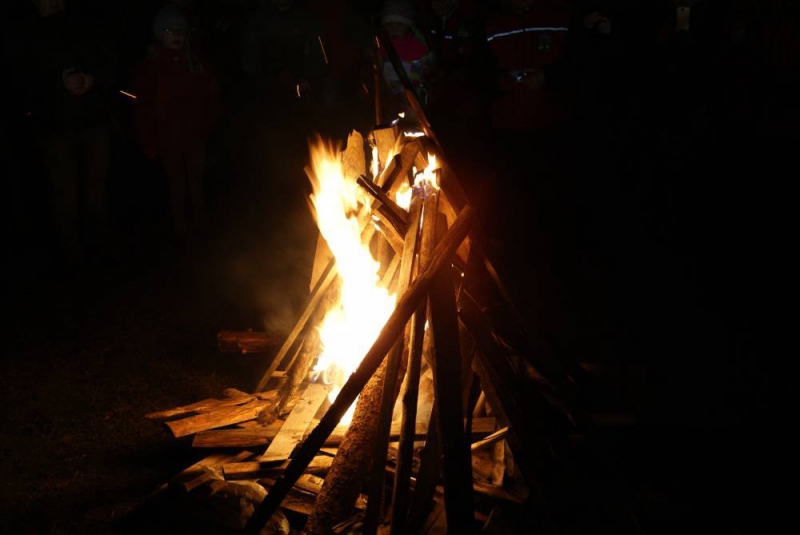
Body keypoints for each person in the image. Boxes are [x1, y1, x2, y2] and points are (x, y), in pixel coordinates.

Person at [4, 0, 119, 263]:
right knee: (64, 193)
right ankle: (72, 255)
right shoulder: (26, 33)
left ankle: (101, 251)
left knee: (96, 189)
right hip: (55, 127)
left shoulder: (84, 24)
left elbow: (108, 61)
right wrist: (57, 83)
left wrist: (92, 80)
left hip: (92, 121)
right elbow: (20, 81)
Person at [132, 5, 220, 242]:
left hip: (194, 134)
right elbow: (144, 108)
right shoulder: (151, 66)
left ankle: (201, 226)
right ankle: (180, 228)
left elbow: (210, 96)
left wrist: (208, 125)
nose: (177, 35)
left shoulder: (195, 63)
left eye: (181, 30)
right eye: (170, 30)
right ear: (160, 33)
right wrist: (149, 141)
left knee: (196, 182)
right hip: (168, 137)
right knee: (176, 183)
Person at [378, 0, 436, 115]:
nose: (394, 29)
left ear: (408, 26)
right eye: (390, 25)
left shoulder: (417, 46)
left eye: (399, 24)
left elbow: (427, 67)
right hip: (389, 99)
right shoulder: (382, 47)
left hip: (413, 97)